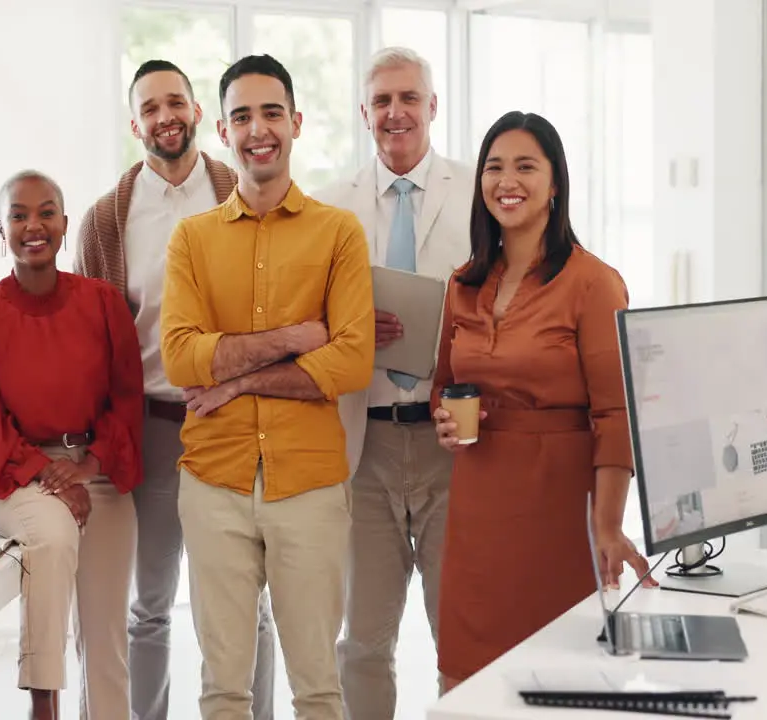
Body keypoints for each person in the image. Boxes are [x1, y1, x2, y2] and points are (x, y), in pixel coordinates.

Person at [160, 54, 375, 719]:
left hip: (308, 485)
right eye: (242, 116)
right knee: (223, 688)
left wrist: (231, 381)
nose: (260, 129)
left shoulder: (338, 232)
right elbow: (179, 357)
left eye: (272, 112)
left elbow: (351, 362)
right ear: (222, 132)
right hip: (214, 482)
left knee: (317, 686)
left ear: (297, 123)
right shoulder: (191, 239)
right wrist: (287, 341)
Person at [74, 59, 277, 720]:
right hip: (156, 429)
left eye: (175, 102)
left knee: (252, 602)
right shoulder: (107, 220)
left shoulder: (240, 189)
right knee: (150, 605)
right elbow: (89, 343)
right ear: (135, 124)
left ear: (197, 113)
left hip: (237, 422)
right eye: (150, 108)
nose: (165, 117)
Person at [429, 111, 654, 690]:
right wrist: (445, 424)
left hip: (557, 511)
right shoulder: (464, 282)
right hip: (477, 508)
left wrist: (608, 526)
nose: (508, 180)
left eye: (526, 166)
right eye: (495, 167)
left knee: (556, 678)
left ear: (555, 183)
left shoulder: (594, 283)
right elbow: (443, 384)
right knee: (465, 680)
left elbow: (616, 414)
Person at [313, 46, 471, 719]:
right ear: (364, 114)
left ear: (433, 107)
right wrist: (344, 328)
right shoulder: (331, 208)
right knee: (364, 644)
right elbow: (309, 323)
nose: (396, 112)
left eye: (409, 98)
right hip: (365, 448)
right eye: (382, 101)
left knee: (459, 636)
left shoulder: (478, 195)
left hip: (451, 444)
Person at [0, 169, 144, 720]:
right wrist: (48, 473)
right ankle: (44, 701)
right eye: (18, 215)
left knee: (108, 636)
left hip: (97, 463)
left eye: (46, 212)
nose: (33, 225)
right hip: (15, 473)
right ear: (1, 229)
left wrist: (88, 467)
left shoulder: (104, 305)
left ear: (64, 224)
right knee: (55, 536)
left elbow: (127, 398)